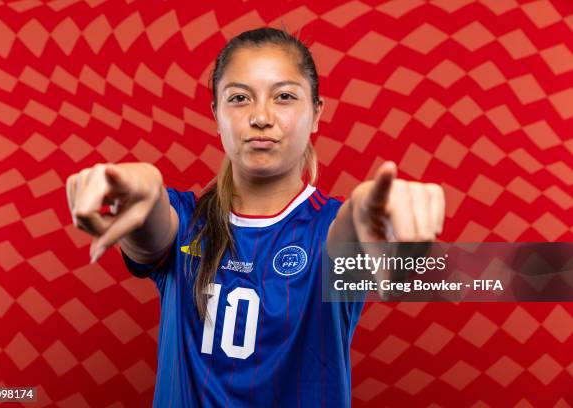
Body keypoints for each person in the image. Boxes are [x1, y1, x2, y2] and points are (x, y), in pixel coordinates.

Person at [66, 27, 445, 407]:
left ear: (316, 113)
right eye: (239, 98)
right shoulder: (184, 223)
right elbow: (150, 221)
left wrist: (370, 212)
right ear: (216, 115)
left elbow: (355, 235)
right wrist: (140, 189)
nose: (261, 116)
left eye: (283, 97)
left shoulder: (328, 231)